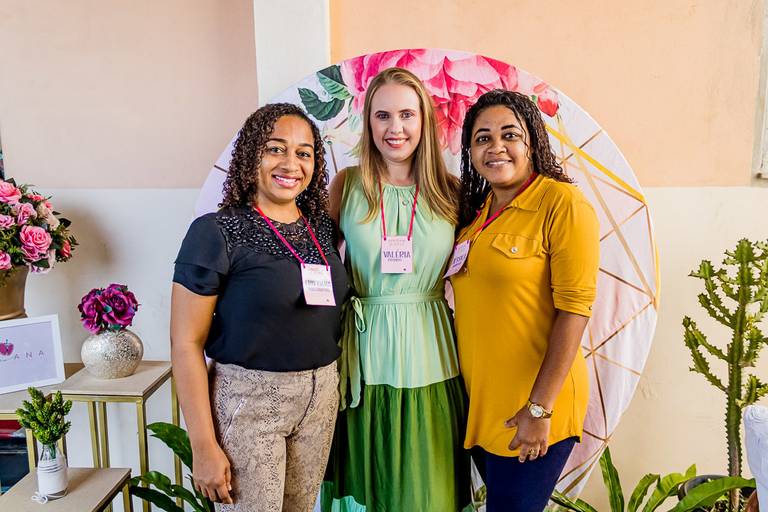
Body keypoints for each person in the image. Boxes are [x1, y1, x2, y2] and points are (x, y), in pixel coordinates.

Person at [170, 103, 349, 511]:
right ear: (252, 153)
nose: (291, 164)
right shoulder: (216, 232)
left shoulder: (321, 227)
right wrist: (203, 445)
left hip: (320, 398)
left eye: (303, 153)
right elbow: (185, 344)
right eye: (275, 148)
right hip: (250, 400)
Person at [321, 67, 470, 511]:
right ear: (368, 122)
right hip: (364, 354)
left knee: (429, 489)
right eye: (382, 115)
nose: (395, 128)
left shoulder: (452, 192)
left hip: (432, 349)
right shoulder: (347, 184)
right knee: (370, 485)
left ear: (424, 120)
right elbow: (317, 265)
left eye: (407, 114)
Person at [449, 89, 600, 511]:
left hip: (531, 407)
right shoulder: (478, 214)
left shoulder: (563, 203)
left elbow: (575, 310)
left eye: (509, 135)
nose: (496, 147)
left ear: (532, 142)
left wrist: (539, 409)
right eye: (482, 138)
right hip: (483, 405)